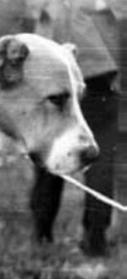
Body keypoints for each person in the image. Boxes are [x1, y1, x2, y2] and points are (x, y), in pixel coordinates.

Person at [24, 0, 125, 256]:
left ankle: (42, 233)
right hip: (99, 68)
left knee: (51, 146)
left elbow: (33, 19)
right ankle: (95, 239)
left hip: (55, 68)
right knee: (101, 154)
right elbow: (118, 17)